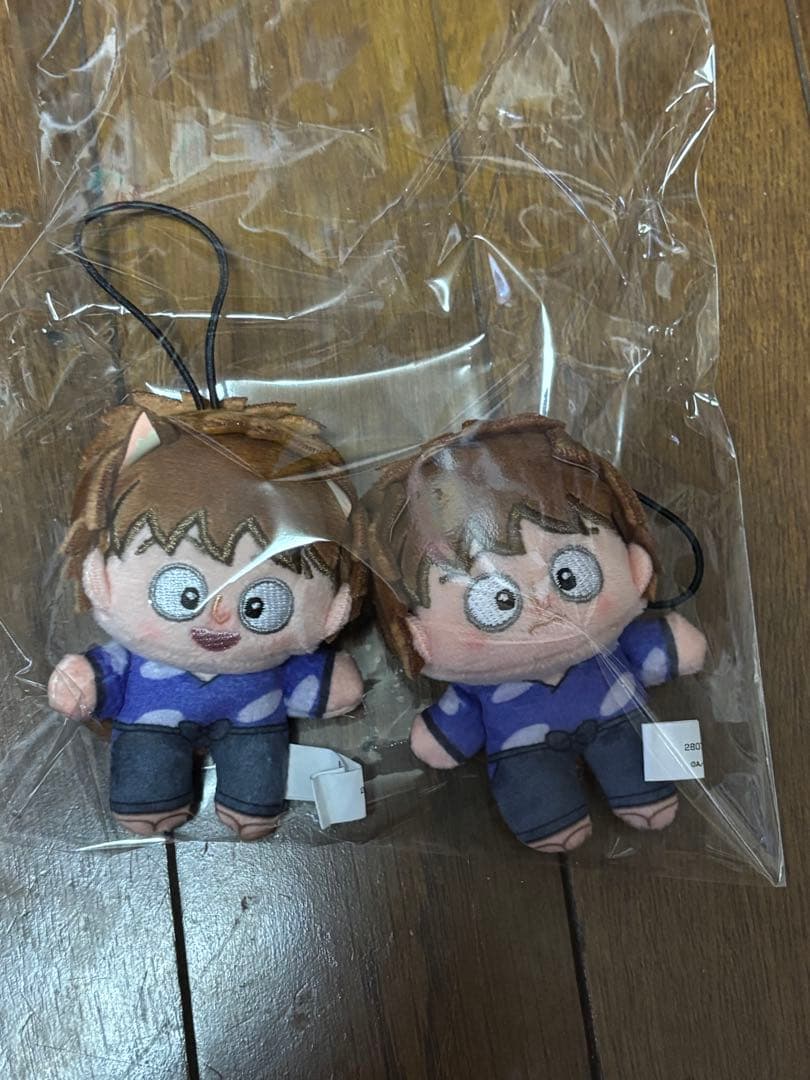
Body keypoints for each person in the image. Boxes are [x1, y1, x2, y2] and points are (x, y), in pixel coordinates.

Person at [48, 394, 366, 839]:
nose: (218, 618)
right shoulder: (139, 660)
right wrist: (85, 680)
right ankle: (153, 800)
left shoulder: (272, 665)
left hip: (253, 725)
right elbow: (105, 672)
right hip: (156, 724)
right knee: (148, 759)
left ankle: (250, 805)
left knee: (255, 769)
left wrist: (330, 682)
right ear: (98, 576)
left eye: (259, 604)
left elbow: (310, 680)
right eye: (183, 593)